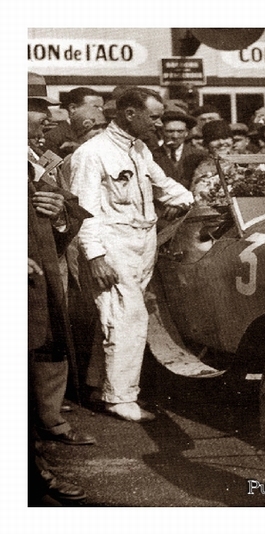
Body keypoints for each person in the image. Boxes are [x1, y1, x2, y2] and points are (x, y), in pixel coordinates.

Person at [69, 87, 194, 422]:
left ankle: (100, 385)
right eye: (153, 116)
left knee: (115, 317)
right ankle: (120, 397)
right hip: (113, 244)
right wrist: (96, 257)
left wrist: (188, 199)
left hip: (142, 241)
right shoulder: (92, 153)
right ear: (129, 114)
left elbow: (164, 185)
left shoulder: (139, 149)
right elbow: (84, 211)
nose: (158, 123)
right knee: (128, 317)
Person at [28, 73, 93, 505]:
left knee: (46, 346)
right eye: (34, 112)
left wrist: (59, 215)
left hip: (41, 276)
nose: (44, 121)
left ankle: (45, 433)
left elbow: (69, 206)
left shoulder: (39, 155)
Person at [151, 103, 207, 188]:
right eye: (170, 131)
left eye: (180, 131)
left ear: (186, 133)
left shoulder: (199, 155)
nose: (175, 136)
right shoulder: (150, 156)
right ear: (161, 132)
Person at [43, 86, 104, 157]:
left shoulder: (101, 131)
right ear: (73, 108)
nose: (100, 111)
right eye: (95, 107)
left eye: (101, 108)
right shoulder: (53, 137)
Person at [190, 120, 237, 206]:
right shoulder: (202, 168)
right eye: (215, 139)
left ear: (233, 140)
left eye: (225, 138)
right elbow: (197, 193)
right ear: (206, 144)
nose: (222, 143)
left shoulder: (245, 161)